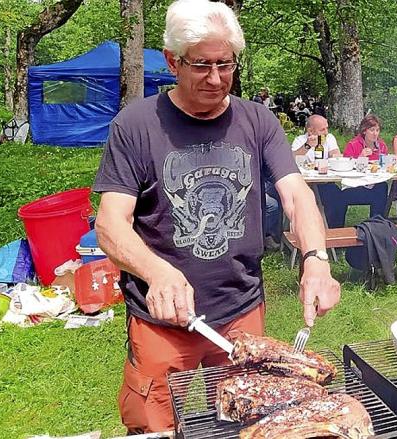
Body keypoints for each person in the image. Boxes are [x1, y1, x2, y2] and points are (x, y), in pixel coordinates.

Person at [92, 0, 340, 433]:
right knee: (155, 426)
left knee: (239, 422)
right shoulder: (135, 125)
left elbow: (296, 195)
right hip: (163, 320)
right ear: (172, 61)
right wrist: (156, 271)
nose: (216, 79)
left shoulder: (257, 120)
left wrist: (316, 259)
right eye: (201, 65)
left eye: (225, 64)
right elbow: (111, 223)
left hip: (241, 310)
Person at [318, 114, 388, 228]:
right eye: (372, 130)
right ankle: (337, 230)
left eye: (377, 130)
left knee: (383, 187)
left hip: (373, 184)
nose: (375, 133)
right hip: (354, 186)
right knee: (338, 196)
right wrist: (360, 157)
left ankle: (377, 227)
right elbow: (346, 166)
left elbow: (384, 165)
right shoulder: (353, 145)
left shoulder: (382, 146)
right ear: (364, 131)